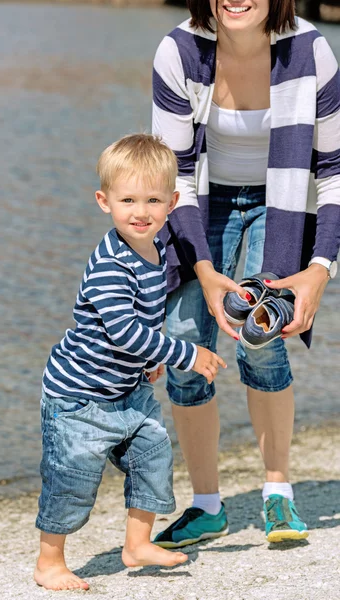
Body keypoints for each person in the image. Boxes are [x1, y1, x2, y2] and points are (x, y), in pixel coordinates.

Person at [151, 0, 339, 546]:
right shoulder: (178, 51)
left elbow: (333, 171)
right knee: (184, 340)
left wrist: (318, 271)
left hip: (282, 204)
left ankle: (278, 493)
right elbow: (174, 172)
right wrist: (205, 271)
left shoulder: (311, 53)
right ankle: (207, 505)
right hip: (195, 201)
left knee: (262, 336)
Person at [33, 133, 227, 591]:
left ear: (172, 203)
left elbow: (145, 318)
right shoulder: (109, 266)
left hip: (126, 388)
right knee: (72, 477)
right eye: (128, 200)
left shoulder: (155, 251)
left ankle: (136, 543)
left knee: (153, 453)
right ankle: (49, 561)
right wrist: (185, 354)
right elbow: (123, 331)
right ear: (104, 201)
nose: (140, 212)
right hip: (77, 397)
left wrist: (148, 362)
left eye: (153, 200)